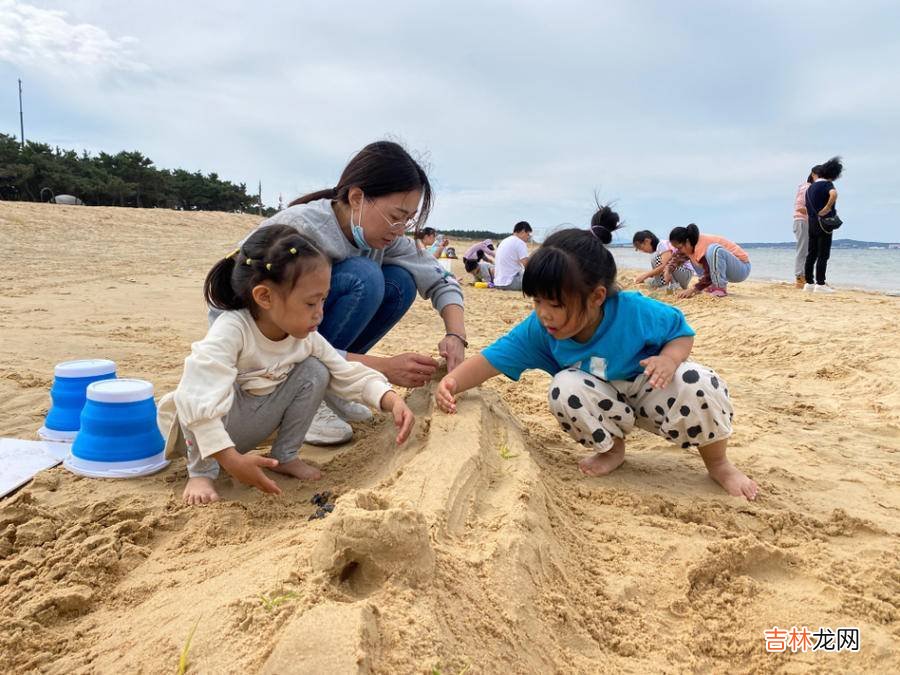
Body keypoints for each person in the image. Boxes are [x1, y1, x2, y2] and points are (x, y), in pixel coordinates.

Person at [435, 210, 758, 500]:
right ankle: (612, 450)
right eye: (537, 302)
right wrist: (450, 383)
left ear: (597, 297)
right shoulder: (540, 329)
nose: (544, 314)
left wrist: (670, 359)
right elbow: (491, 360)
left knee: (700, 380)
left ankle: (718, 464)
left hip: (653, 392)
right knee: (565, 386)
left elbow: (681, 332)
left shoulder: (634, 309)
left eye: (556, 304)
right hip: (603, 404)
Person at [158, 225, 415, 505]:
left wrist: (389, 399)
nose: (320, 313)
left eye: (323, 300)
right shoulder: (233, 329)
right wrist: (230, 460)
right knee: (207, 386)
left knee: (316, 369)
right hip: (199, 434)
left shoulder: (305, 338)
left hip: (246, 428)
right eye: (310, 303)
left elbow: (346, 373)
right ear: (264, 297)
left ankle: (284, 457)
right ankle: (201, 472)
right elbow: (196, 398)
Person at [238, 141, 467, 445]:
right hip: (263, 351)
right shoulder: (298, 232)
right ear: (357, 198)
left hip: (311, 343)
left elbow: (440, 279)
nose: (400, 229)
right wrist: (385, 368)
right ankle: (305, 394)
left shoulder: (384, 237)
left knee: (401, 281)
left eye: (408, 220)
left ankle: (332, 385)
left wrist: (455, 335)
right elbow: (272, 333)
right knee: (365, 276)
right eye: (395, 216)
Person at [666, 224, 751, 298]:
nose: (679, 250)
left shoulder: (701, 245)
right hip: (725, 270)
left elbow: (709, 273)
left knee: (713, 249)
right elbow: (677, 257)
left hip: (741, 268)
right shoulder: (690, 246)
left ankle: (719, 288)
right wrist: (668, 271)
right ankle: (710, 286)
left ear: (687, 241)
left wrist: (693, 289)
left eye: (679, 248)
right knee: (691, 255)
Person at [804, 157, 843, 294]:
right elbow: (834, 194)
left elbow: (806, 207)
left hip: (812, 223)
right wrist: (827, 208)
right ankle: (820, 283)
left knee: (812, 253)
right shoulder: (827, 184)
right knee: (823, 254)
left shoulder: (809, 188)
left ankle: (808, 282)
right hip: (824, 223)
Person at [494, 221, 532, 290]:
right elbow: (527, 266)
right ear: (523, 231)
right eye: (528, 234)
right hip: (511, 283)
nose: (528, 237)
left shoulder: (504, 241)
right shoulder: (520, 243)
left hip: (497, 283)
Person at [792, 173, 814, 288]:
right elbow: (801, 207)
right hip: (802, 221)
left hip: (803, 221)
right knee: (803, 250)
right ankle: (800, 277)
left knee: (806, 250)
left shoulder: (805, 187)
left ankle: (804, 276)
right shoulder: (807, 187)